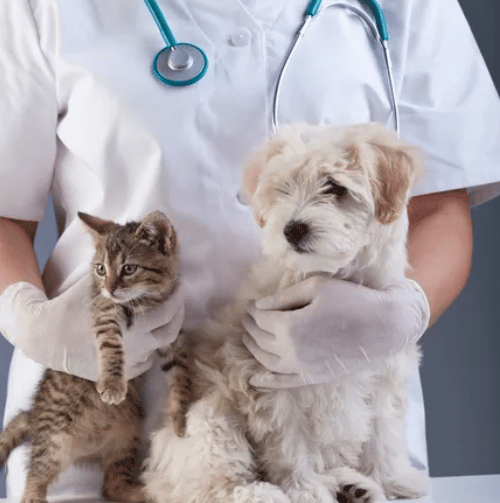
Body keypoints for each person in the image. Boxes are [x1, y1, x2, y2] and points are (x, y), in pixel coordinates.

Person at [0, 0, 499, 500]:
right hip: (102, 415)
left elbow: (438, 209)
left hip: (337, 425)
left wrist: (398, 314)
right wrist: (29, 318)